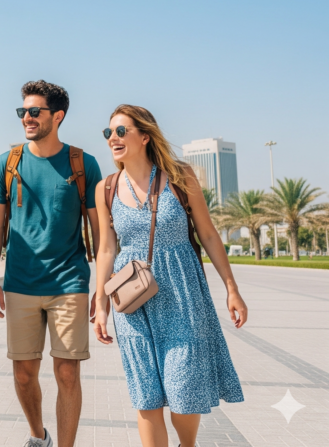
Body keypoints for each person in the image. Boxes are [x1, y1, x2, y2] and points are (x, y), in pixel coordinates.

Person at [93, 105, 246, 447]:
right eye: (108, 133)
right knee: (146, 396)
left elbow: (207, 234)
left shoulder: (180, 176)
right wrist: (101, 304)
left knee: (183, 387)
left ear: (144, 136)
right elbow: (106, 249)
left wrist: (231, 289)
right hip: (132, 300)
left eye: (121, 131)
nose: (113, 139)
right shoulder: (106, 188)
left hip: (182, 293)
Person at [0, 80, 102, 447]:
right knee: (23, 374)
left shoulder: (83, 163)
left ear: (58, 116)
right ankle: (39, 435)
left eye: (35, 111)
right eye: (23, 112)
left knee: (67, 373)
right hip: (20, 282)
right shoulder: (8, 162)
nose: (27, 118)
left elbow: (100, 232)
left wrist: (102, 286)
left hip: (70, 284)